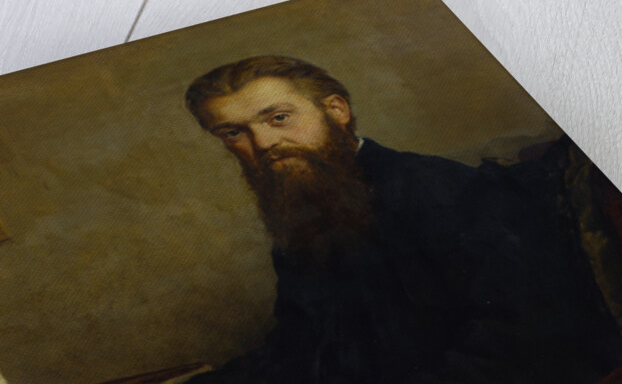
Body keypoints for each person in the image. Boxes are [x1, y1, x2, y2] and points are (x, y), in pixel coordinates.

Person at [183, 55, 622, 384]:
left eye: (278, 118)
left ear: (336, 110)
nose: (263, 143)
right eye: (234, 132)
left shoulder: (436, 189)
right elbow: (299, 349)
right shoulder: (299, 217)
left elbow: (525, 339)